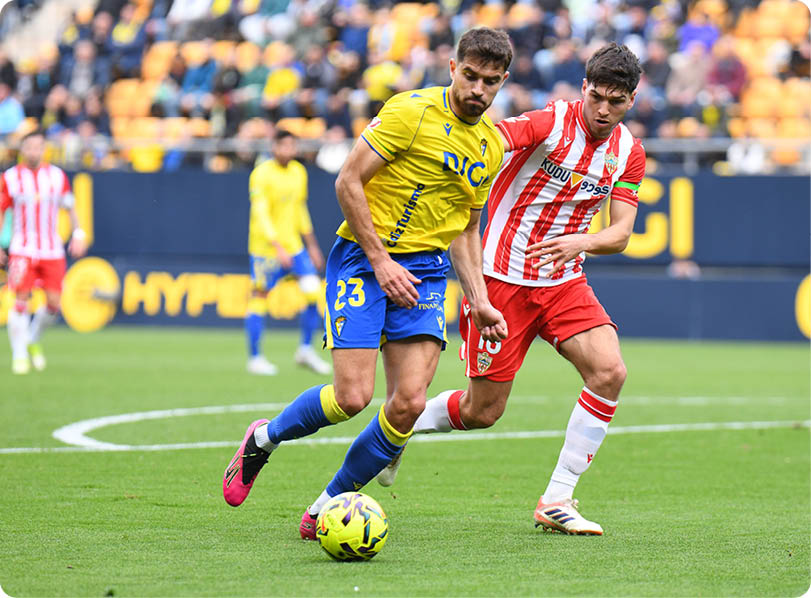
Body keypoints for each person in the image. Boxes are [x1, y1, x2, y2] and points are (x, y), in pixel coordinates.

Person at [221, 28, 513, 539]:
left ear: (502, 82)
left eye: (490, 82)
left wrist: (480, 299)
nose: (478, 90)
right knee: (352, 396)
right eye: (470, 76)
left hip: (425, 274)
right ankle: (262, 440)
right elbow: (347, 180)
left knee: (409, 404)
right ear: (452, 67)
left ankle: (325, 507)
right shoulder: (409, 112)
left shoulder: (490, 146)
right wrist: (380, 261)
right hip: (364, 258)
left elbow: (467, 229)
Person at [377, 42, 646, 536]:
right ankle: (400, 424)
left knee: (609, 371)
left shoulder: (629, 152)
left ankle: (559, 497)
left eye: (617, 101)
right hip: (500, 279)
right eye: (597, 97)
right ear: (584, 88)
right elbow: (482, 143)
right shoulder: (545, 124)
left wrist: (582, 241)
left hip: (563, 282)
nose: (604, 110)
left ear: (632, 99)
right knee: (484, 412)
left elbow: (622, 232)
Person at [0, 129, 88, 374]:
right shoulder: (10, 177)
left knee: (53, 303)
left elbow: (70, 207)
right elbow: (2, 210)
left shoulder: (57, 176)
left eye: (38, 147)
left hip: (51, 249)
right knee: (20, 300)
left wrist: (78, 234)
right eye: (29, 147)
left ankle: (31, 339)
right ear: (22, 149)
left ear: (44, 148)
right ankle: (19, 355)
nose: (33, 151)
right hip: (22, 248)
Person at [244, 128, 331, 376]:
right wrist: (276, 246)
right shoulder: (261, 174)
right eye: (284, 146)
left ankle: (305, 349)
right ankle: (255, 357)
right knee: (260, 298)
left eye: (292, 146)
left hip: (295, 246)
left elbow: (300, 210)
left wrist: (312, 246)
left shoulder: (298, 172)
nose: (288, 151)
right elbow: (260, 213)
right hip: (265, 248)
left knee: (313, 292)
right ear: (274, 147)